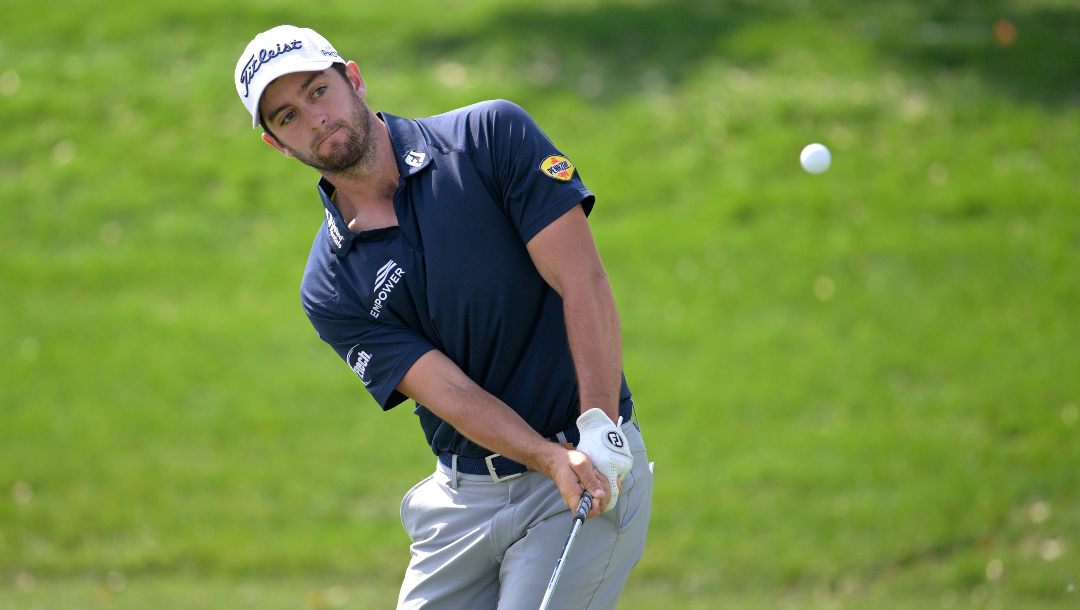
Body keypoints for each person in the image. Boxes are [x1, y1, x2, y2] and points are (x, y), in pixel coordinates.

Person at [234, 25, 653, 609]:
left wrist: (598, 426)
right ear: (277, 144)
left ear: (352, 78)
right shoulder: (329, 284)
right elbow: (449, 391)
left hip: (585, 464)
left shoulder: (489, 137)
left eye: (317, 92)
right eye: (286, 117)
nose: (314, 119)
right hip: (464, 501)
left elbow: (582, 281)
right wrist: (542, 456)